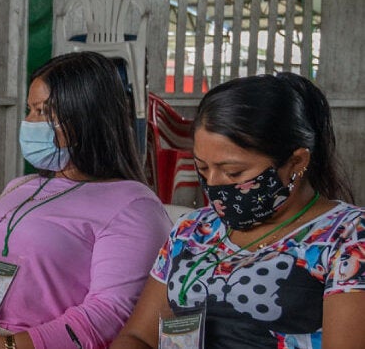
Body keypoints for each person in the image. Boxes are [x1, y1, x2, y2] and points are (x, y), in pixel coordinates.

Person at [0, 52, 170, 349]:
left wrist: (7, 345)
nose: (29, 122)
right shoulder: (22, 186)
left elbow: (110, 314)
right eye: (30, 109)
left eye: (42, 111)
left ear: (87, 116)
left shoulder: (133, 206)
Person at [112, 73, 365, 348]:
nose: (213, 183)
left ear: (296, 162)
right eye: (202, 168)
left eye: (233, 172)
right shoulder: (192, 230)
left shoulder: (348, 236)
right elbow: (138, 336)